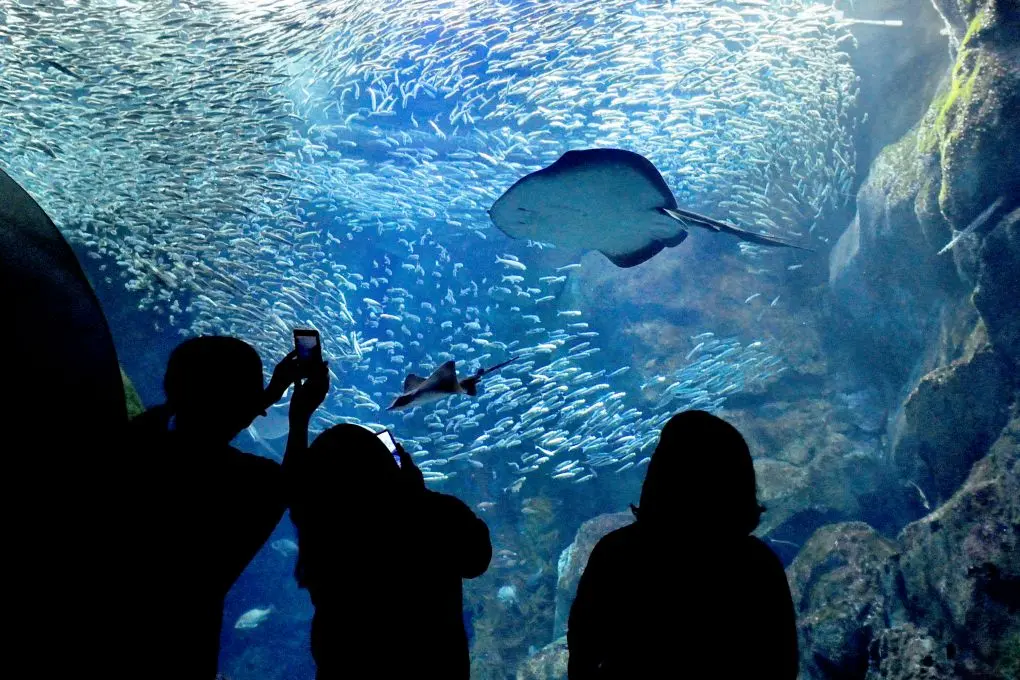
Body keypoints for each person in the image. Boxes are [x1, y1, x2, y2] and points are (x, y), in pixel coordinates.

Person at [126, 335, 329, 679]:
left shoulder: (137, 448)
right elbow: (290, 486)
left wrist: (262, 396)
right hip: (180, 650)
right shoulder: (248, 480)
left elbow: (189, 424)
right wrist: (298, 417)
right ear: (244, 401)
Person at [567, 410, 799, 679]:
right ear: (739, 482)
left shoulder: (615, 554)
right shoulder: (758, 564)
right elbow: (782, 663)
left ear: (657, 476)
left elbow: (583, 654)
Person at [287, 424, 492, 679]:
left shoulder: (322, 531)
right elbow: (477, 558)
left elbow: (295, 490)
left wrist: (300, 419)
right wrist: (419, 494)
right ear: (386, 467)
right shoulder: (429, 519)